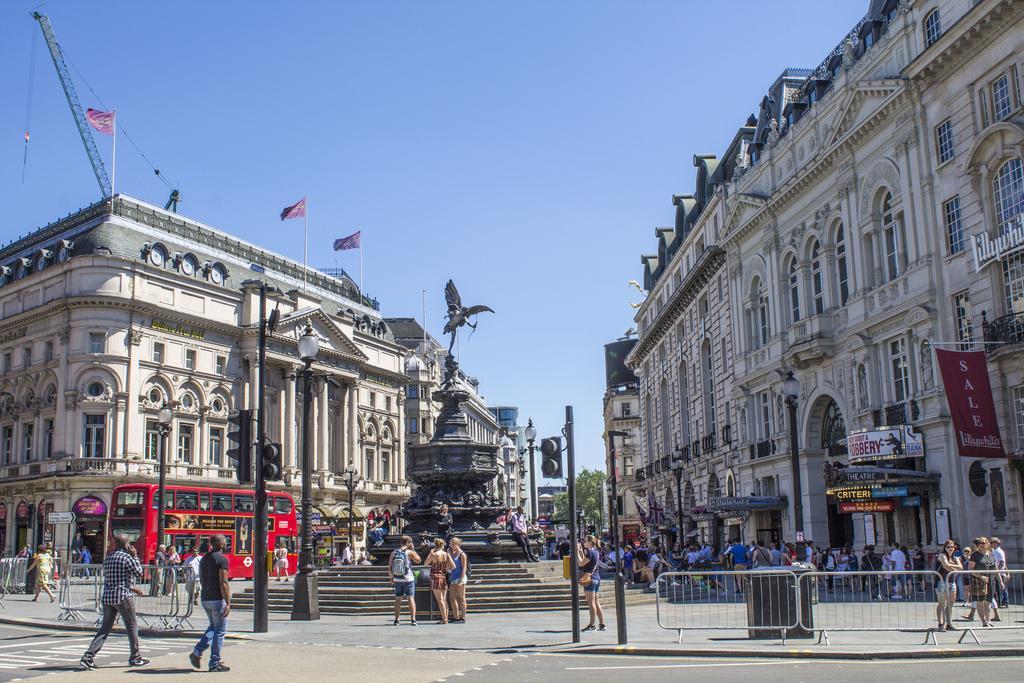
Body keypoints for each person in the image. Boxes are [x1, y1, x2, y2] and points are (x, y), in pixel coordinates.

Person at [80, 535, 148, 670]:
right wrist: (135, 556)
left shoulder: (109, 557)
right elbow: (139, 573)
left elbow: (115, 578)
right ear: (127, 545)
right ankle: (135, 658)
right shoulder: (127, 557)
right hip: (123, 596)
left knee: (105, 628)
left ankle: (88, 657)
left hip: (108, 596)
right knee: (132, 626)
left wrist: (132, 587)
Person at [190, 534, 231, 672]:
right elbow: (223, 582)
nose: (226, 543)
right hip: (218, 599)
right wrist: (228, 601)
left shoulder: (204, 558)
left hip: (205, 597)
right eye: (225, 541)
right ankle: (214, 662)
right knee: (220, 631)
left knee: (213, 627)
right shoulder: (222, 559)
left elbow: (201, 578)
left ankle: (197, 651)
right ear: (220, 544)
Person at [963, 536, 996, 627]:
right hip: (978, 582)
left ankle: (988, 620)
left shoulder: (990, 554)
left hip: (991, 580)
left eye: (983, 543)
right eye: (980, 543)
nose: (981, 545)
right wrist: (981, 576)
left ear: (988, 544)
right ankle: (984, 621)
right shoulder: (975, 555)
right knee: (980, 602)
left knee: (988, 601)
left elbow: (995, 567)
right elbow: (970, 569)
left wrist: (1000, 580)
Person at [390, 535, 422, 625]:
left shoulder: (394, 552)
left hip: (397, 579)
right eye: (410, 542)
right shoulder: (409, 552)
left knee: (397, 599)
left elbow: (390, 567)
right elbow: (419, 560)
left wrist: (391, 578)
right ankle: (413, 619)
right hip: (408, 579)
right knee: (410, 598)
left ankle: (396, 620)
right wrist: (413, 550)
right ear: (408, 543)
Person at [577, 535, 606, 632]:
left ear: (589, 542)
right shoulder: (595, 552)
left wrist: (576, 551)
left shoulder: (590, 552)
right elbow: (585, 562)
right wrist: (581, 552)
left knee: (591, 603)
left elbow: (581, 564)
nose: (584, 542)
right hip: (596, 578)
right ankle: (602, 624)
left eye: (585, 540)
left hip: (590, 579)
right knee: (596, 602)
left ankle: (592, 625)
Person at [934, 539, 962, 632]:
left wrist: (952, 566)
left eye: (952, 547)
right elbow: (945, 565)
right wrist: (954, 567)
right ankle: (940, 624)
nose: (950, 548)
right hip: (941, 581)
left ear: (955, 548)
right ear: (945, 548)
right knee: (941, 603)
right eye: (948, 547)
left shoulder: (955, 557)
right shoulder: (942, 555)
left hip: (951, 581)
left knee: (951, 603)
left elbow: (961, 567)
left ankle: (949, 623)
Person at [426, 538, 455, 624]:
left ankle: (445, 619)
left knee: (440, 600)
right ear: (442, 545)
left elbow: (426, 563)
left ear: (435, 545)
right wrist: (446, 569)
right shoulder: (446, 554)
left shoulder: (434, 554)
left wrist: (430, 553)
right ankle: (444, 618)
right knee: (444, 599)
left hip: (435, 578)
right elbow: (453, 566)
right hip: (443, 577)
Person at [447, 537, 469, 623]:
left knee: (461, 598)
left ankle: (463, 617)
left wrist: (461, 580)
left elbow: (464, 568)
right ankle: (456, 616)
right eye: (451, 545)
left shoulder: (462, 554)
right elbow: (450, 565)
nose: (451, 546)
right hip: (453, 577)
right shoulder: (452, 554)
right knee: (452, 598)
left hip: (460, 577)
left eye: (453, 544)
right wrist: (448, 554)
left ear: (457, 544)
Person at [991, 537, 1008, 620]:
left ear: (997, 543)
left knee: (1002, 587)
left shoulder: (999, 551)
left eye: (993, 542)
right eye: (991, 542)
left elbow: (1001, 562)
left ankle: (1005, 602)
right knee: (998, 588)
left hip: (1000, 572)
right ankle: (1000, 601)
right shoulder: (994, 551)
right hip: (997, 572)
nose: (991, 543)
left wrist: (998, 570)